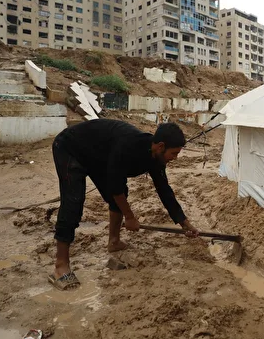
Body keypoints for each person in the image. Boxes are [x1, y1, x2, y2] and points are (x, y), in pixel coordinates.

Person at [48, 119, 199, 290]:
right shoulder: (128, 146)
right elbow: (115, 187)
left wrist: (184, 223)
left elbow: (164, 190)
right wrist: (129, 217)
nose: (175, 158)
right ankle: (60, 265)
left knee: (120, 196)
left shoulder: (156, 158)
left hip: (97, 156)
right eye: (174, 153)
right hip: (70, 148)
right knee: (73, 202)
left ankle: (114, 242)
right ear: (160, 146)